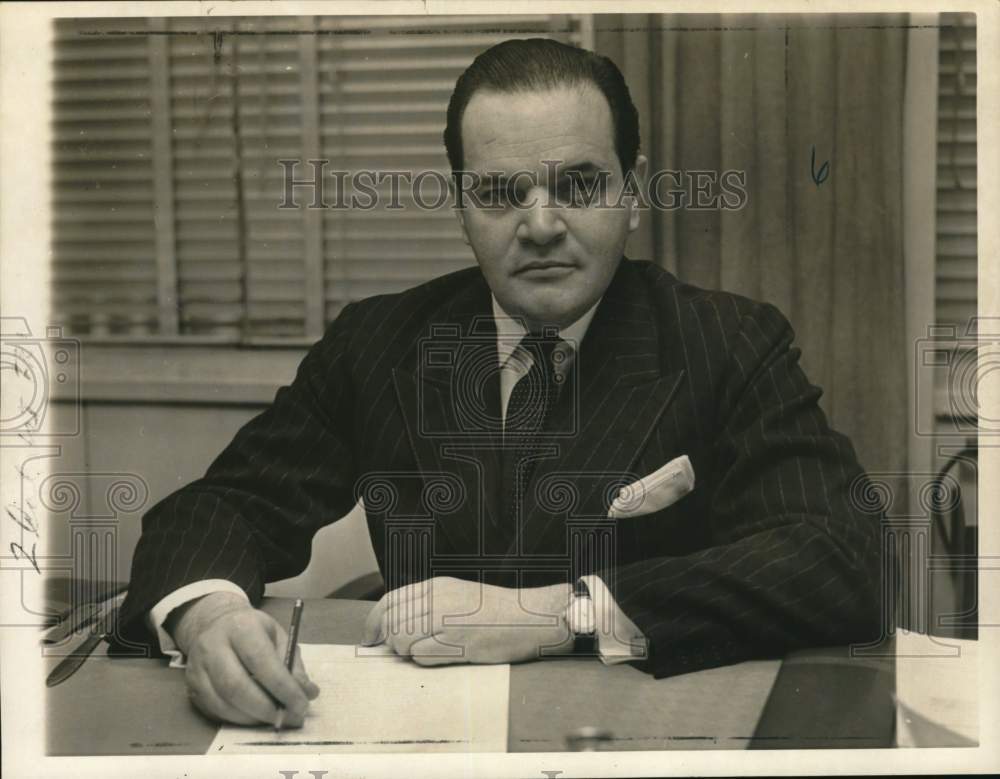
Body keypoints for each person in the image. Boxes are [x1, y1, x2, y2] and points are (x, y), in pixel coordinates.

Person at [115, 38, 883, 729]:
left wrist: (562, 613)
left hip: (634, 729)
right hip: (416, 730)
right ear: (460, 206)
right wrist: (207, 615)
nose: (541, 224)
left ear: (633, 192)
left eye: (578, 185)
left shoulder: (729, 342)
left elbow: (840, 554)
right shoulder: (378, 342)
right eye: (500, 192)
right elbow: (219, 508)